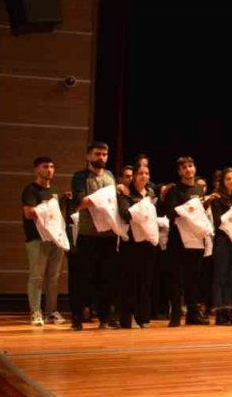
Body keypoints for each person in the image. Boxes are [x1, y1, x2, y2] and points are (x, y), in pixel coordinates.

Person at [68, 141, 119, 330]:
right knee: (83, 278)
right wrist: (104, 196)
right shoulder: (80, 177)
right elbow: (80, 202)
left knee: (106, 277)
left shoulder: (110, 176)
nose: (101, 158)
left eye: (105, 154)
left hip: (109, 234)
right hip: (88, 233)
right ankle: (77, 316)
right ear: (88, 156)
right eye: (98, 154)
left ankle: (105, 317)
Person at [160, 156, 209, 327]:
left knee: (193, 278)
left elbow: (200, 213)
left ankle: (193, 314)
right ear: (179, 171)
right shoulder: (175, 190)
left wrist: (204, 205)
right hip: (178, 239)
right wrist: (190, 208)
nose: (189, 169)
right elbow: (170, 212)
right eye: (184, 167)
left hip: (195, 239)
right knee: (177, 278)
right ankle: (175, 315)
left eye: (191, 166)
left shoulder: (199, 189)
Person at [21, 156, 66, 326]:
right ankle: (35, 312)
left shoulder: (53, 190)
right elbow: (29, 213)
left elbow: (55, 214)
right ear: (36, 170)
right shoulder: (30, 190)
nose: (50, 170)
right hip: (37, 239)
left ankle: (51, 312)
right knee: (37, 277)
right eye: (45, 166)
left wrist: (59, 200)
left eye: (52, 166)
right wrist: (48, 206)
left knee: (53, 277)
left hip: (55, 238)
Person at [116, 163, 158, 328]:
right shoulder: (125, 193)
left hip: (148, 241)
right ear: (133, 176)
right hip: (132, 242)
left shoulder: (150, 193)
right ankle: (128, 317)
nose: (144, 176)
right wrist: (141, 210)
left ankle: (143, 317)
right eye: (140, 173)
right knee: (130, 281)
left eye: (147, 173)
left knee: (146, 281)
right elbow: (125, 214)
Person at [208, 168, 232, 325]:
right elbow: (218, 222)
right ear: (222, 181)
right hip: (222, 239)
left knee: (230, 277)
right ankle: (219, 314)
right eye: (228, 179)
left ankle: (228, 311)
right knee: (220, 277)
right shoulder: (217, 198)